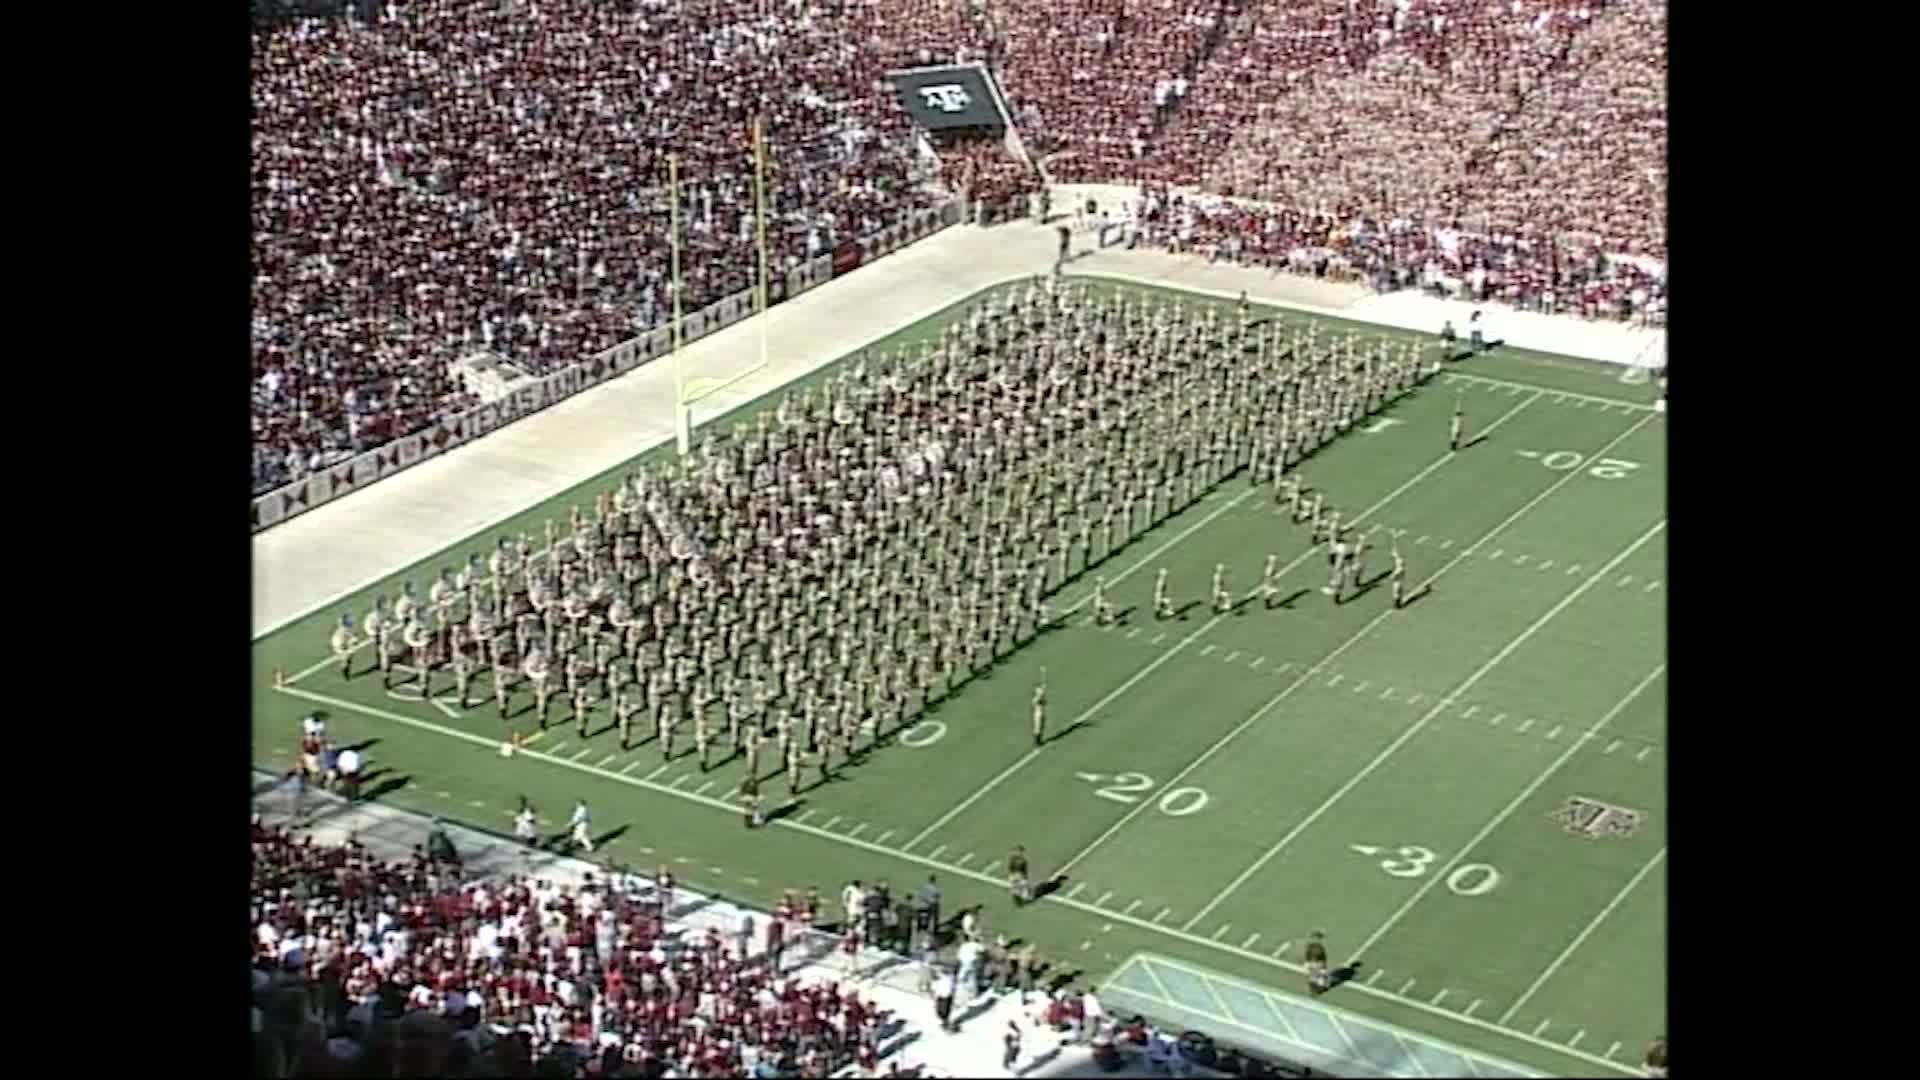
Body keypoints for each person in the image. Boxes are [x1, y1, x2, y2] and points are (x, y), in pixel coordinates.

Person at [1304, 930, 1331, 995]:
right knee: (1316, 977)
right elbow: (1322, 958)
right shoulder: (1316, 948)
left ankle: (1315, 989)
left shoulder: (1314, 947)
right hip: (1315, 964)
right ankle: (1314, 989)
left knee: (1317, 977)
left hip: (1316, 964)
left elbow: (1322, 958)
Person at [932, 967, 956, 1033]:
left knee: (943, 1011)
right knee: (942, 1011)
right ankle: (945, 1023)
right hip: (944, 996)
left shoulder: (947, 978)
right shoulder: (947, 978)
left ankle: (946, 1023)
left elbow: (936, 986)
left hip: (944, 996)